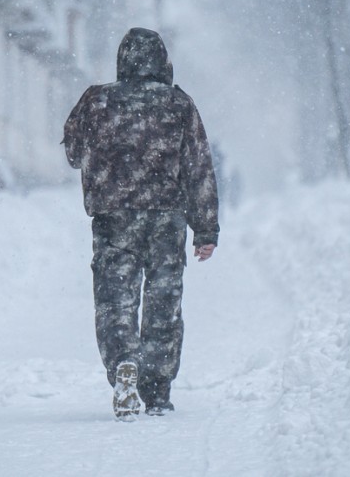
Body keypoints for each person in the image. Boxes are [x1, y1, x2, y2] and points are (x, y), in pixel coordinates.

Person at [63, 27, 220, 420]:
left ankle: (122, 365)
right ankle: (157, 389)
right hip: (167, 219)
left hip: (113, 218)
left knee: (116, 299)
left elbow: (73, 152)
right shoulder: (179, 104)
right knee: (163, 302)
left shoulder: (96, 100)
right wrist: (205, 230)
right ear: (162, 62)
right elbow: (198, 167)